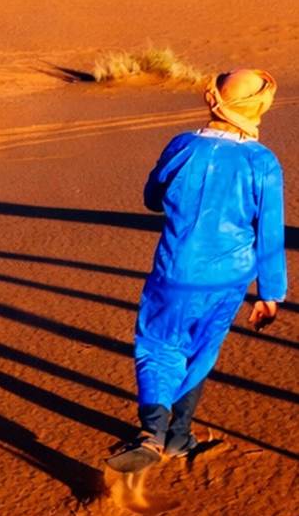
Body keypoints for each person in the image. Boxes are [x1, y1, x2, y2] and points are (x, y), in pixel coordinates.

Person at [108, 68, 286, 472]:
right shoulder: (263, 161)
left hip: (174, 270)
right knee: (202, 350)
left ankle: (152, 433)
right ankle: (180, 436)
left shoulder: (183, 146)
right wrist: (271, 294)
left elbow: (152, 197)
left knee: (158, 344)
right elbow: (270, 230)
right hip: (229, 279)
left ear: (215, 99)